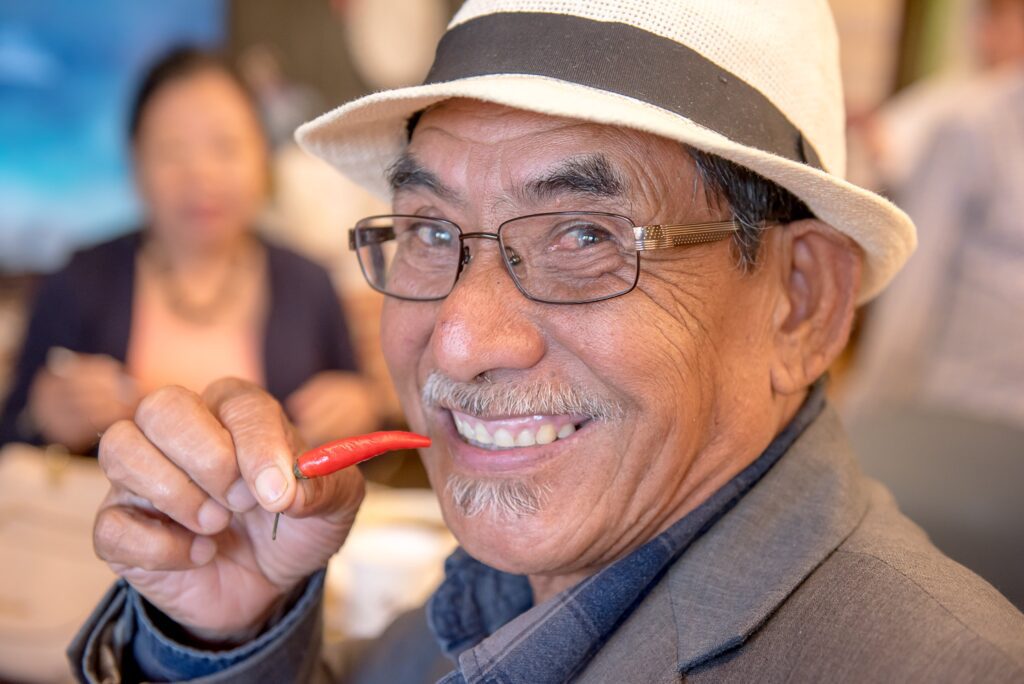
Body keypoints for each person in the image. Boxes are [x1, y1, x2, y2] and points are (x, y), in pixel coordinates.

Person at [70, 2, 1024, 682]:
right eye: (433, 233)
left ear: (802, 302)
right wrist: (232, 627)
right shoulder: (497, 598)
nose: (457, 343)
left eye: (585, 236)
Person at [0, 47, 376, 453]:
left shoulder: (309, 284)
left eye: (225, 146)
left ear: (262, 158)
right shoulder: (78, 279)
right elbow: (13, 435)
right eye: (172, 150)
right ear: (136, 163)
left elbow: (360, 433)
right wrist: (41, 416)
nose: (201, 173)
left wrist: (360, 411)